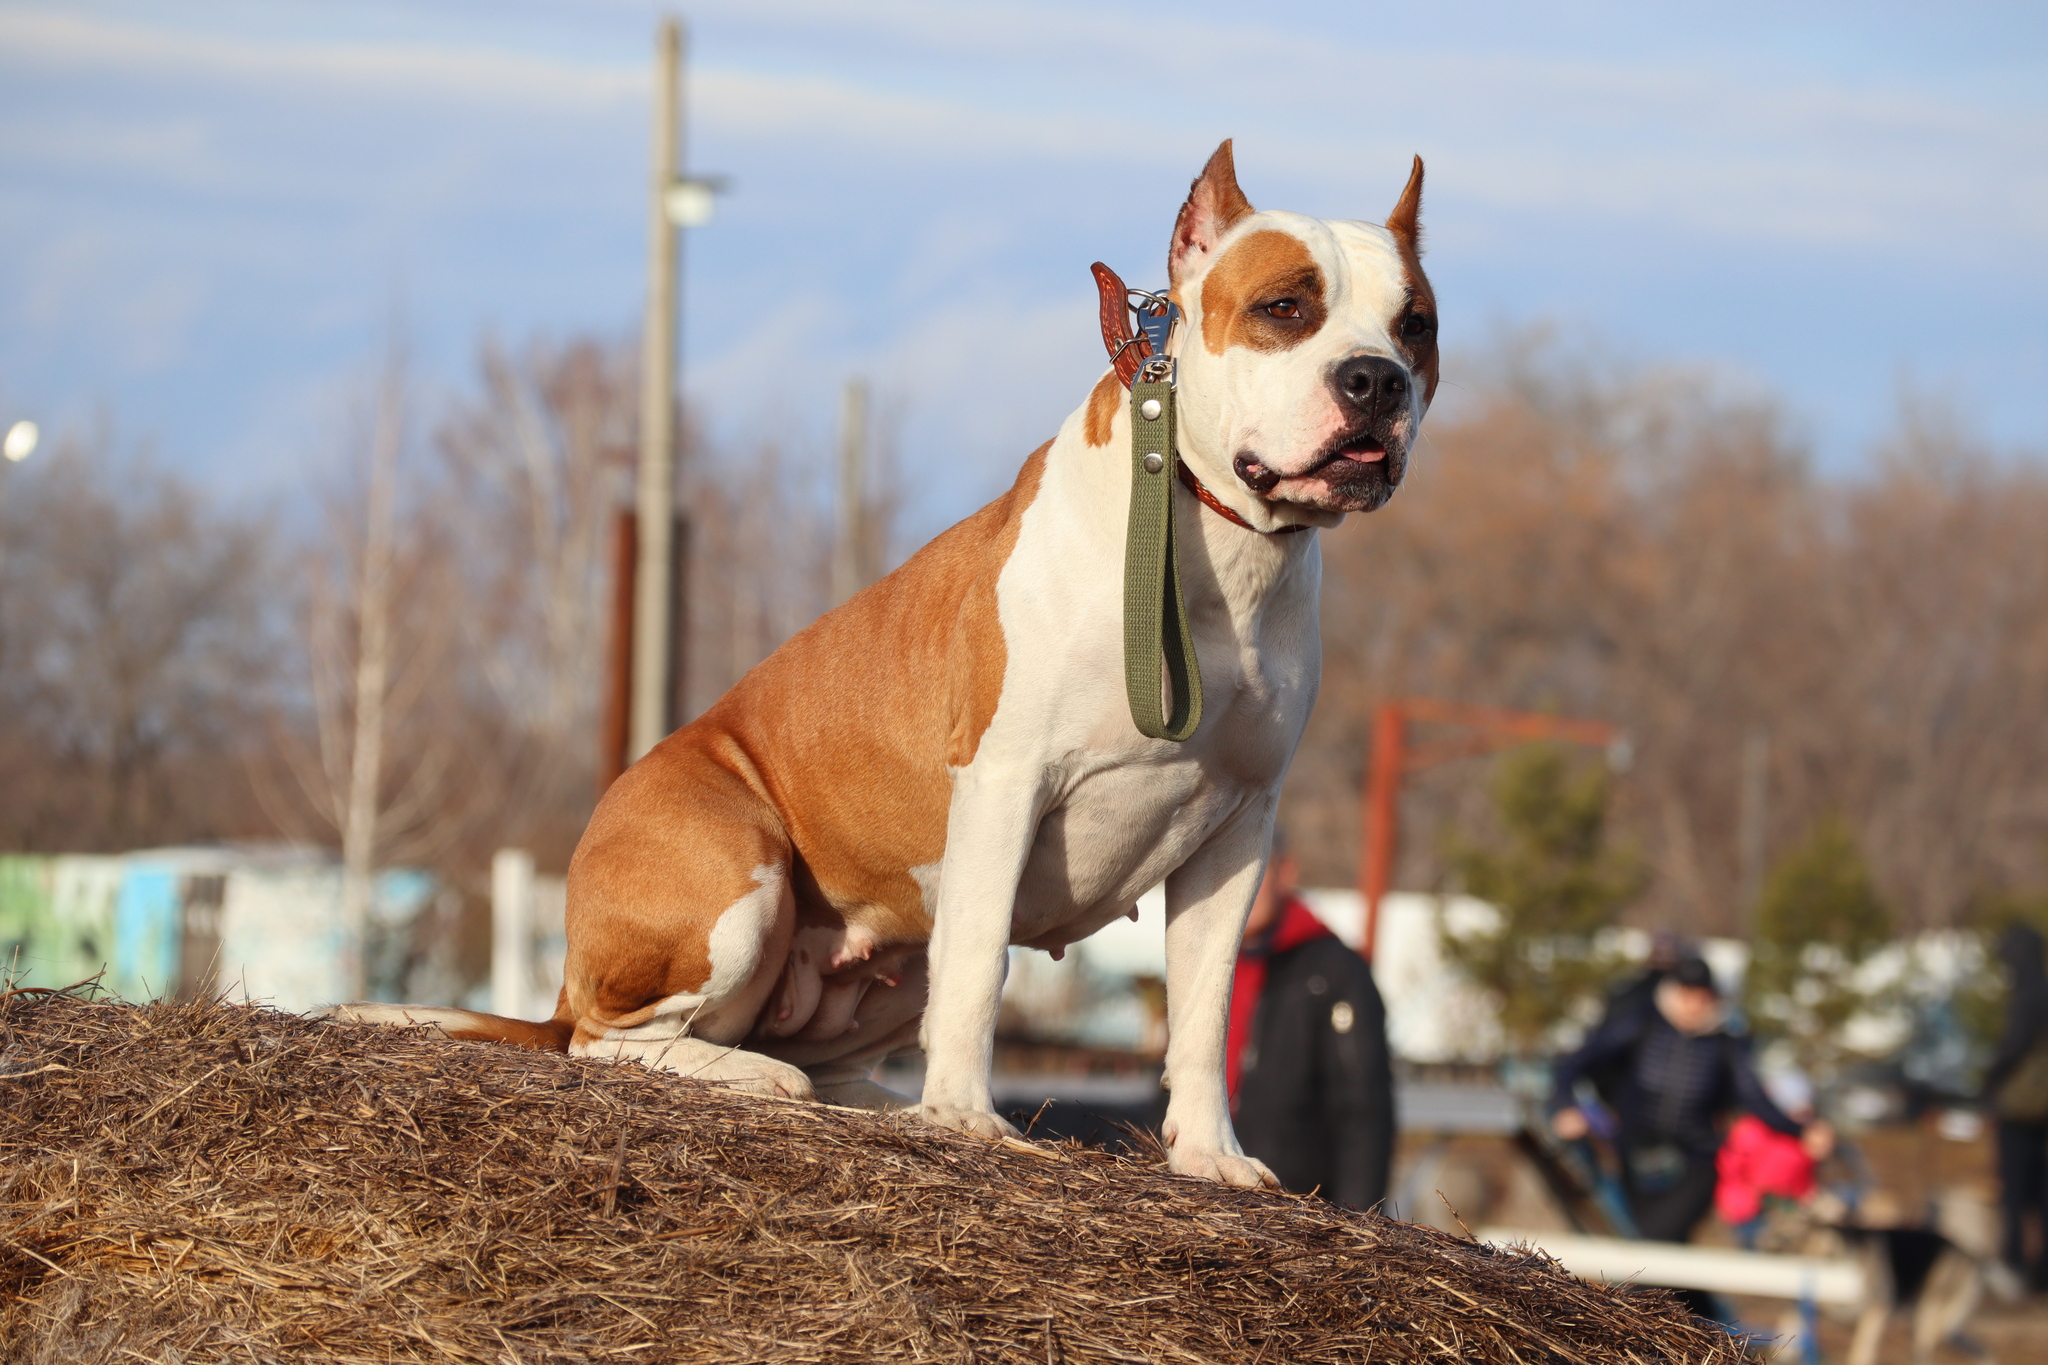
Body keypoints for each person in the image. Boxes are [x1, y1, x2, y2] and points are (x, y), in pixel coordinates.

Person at [1550, 957, 1833, 1246]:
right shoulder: (1640, 1023)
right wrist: (1565, 1106)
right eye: (1687, 995)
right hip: (1635, 1158)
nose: (1694, 1005)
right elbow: (1574, 1063)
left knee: (1653, 1244)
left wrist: (1801, 1130)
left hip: (1695, 1164)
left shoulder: (1726, 1043)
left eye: (1702, 998)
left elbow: (1754, 1099)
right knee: (1657, 1250)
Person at [1226, 834, 1396, 1210]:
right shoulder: (1209, 972)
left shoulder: (1333, 973)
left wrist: (1358, 1226)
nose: (1238, 887)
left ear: (1285, 873)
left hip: (1300, 1215)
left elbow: (1363, 1113)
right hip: (1209, 1202)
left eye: (1252, 871)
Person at [1980, 922, 2048, 1291]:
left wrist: (1988, 1082)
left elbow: (2014, 1048)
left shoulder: (2026, 996)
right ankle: (2042, 1272)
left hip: (2021, 1110)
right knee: (2042, 1191)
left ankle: (2015, 1265)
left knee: (2015, 1191)